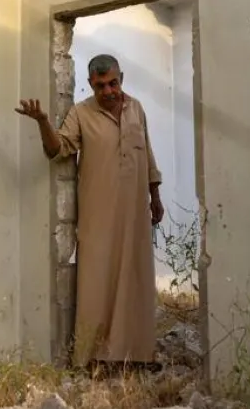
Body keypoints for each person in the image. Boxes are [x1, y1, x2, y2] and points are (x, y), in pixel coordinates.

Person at [17, 53, 163, 373]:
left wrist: (155, 196)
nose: (108, 91)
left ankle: (137, 355)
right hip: (98, 212)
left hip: (135, 214)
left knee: (135, 279)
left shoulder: (136, 108)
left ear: (121, 78)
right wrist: (43, 121)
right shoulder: (81, 113)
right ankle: (94, 358)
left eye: (113, 83)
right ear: (90, 85)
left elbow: (147, 155)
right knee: (96, 281)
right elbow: (58, 150)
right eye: (100, 86)